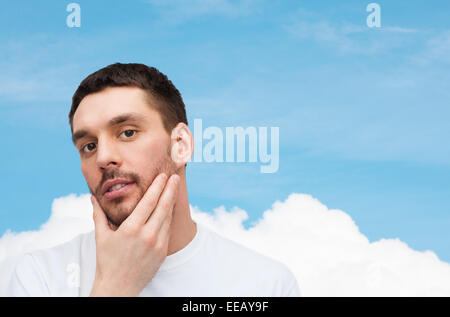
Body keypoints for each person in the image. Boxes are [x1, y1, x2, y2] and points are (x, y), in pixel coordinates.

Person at [7, 63, 301, 297]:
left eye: (127, 132)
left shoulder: (266, 285)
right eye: (88, 146)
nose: (103, 158)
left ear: (181, 145)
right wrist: (114, 288)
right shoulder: (41, 276)